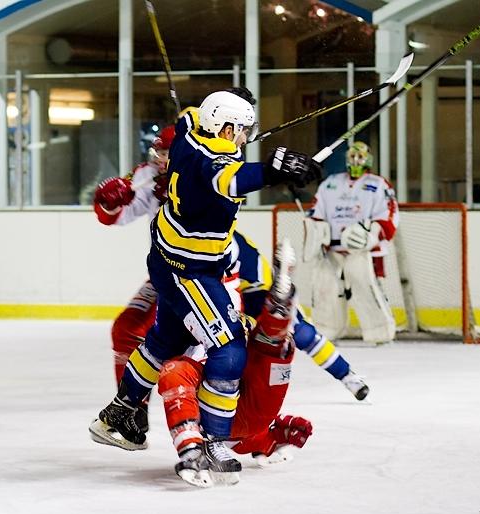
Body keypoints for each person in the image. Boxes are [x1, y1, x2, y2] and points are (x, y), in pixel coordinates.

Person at [91, 88, 321, 480]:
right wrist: (273, 170)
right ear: (226, 128)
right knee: (228, 350)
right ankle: (215, 442)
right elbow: (229, 178)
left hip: (166, 257)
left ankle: (120, 410)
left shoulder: (189, 129)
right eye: (242, 130)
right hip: (191, 270)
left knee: (165, 340)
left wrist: (231, 101)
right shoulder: (212, 162)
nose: (244, 138)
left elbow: (191, 115)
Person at [159, 240, 313, 487]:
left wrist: (269, 437)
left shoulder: (200, 277)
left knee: (274, 349)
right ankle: (193, 449)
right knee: (177, 371)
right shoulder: (171, 281)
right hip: (216, 396)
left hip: (240, 392)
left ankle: (278, 313)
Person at [305, 141, 399, 345]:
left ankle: (380, 332)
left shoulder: (378, 184)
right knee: (326, 287)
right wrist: (317, 232)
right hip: (333, 249)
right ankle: (326, 330)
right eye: (352, 156)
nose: (356, 161)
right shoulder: (331, 183)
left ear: (368, 159)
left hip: (364, 250)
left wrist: (372, 236)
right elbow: (316, 212)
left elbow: (389, 215)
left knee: (367, 288)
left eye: (360, 157)